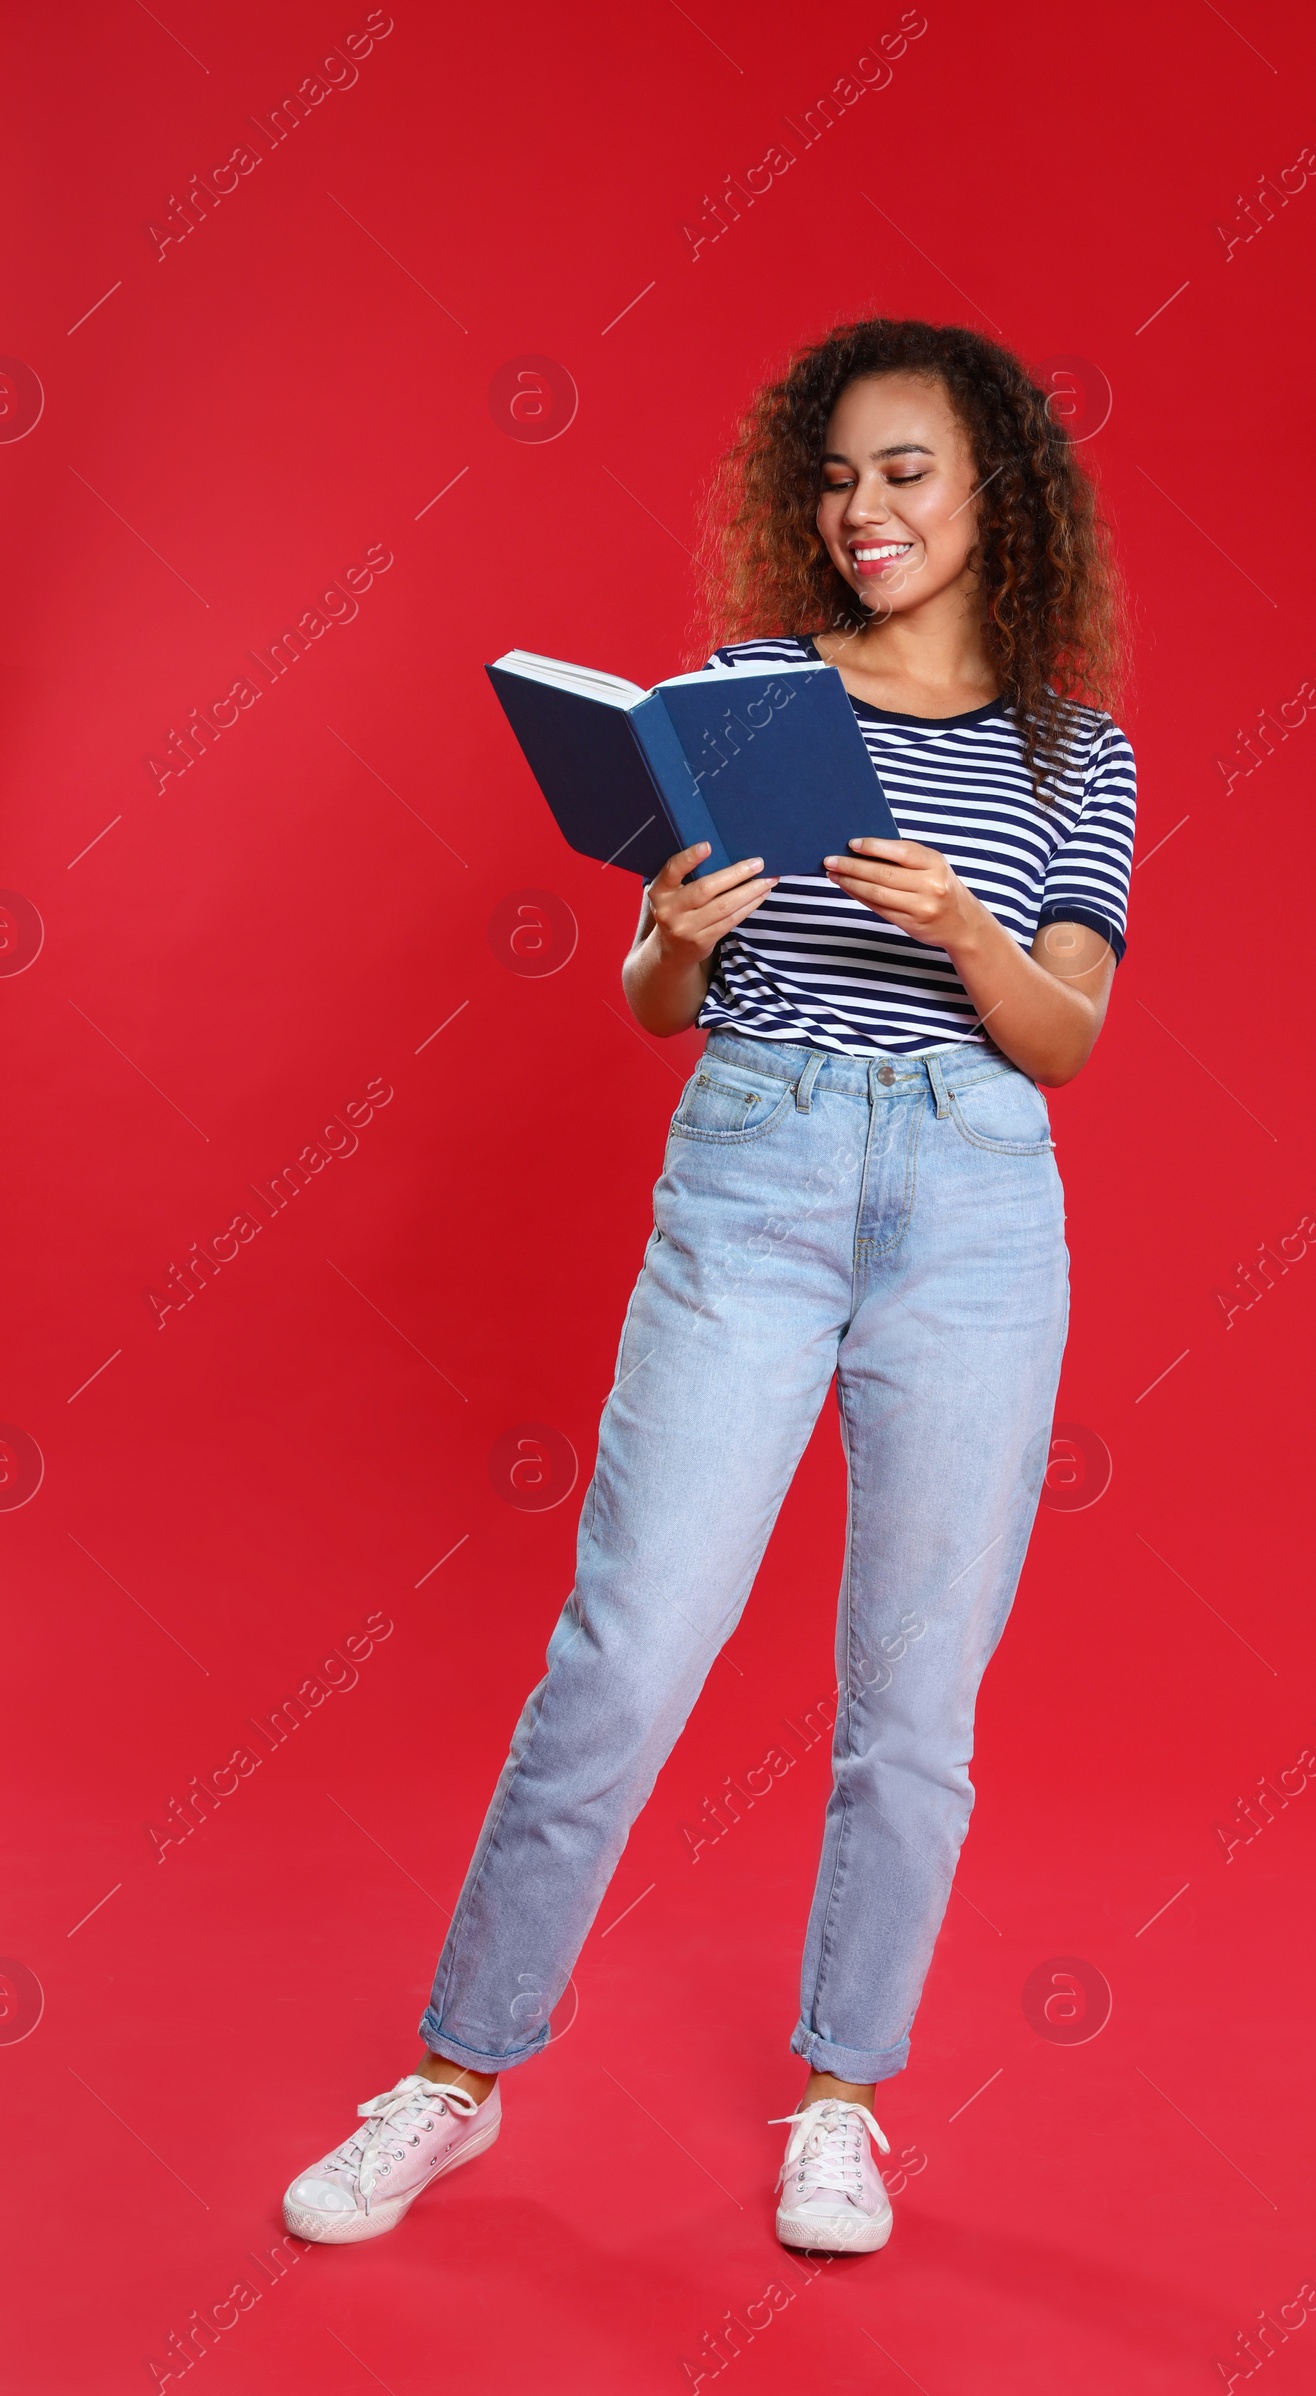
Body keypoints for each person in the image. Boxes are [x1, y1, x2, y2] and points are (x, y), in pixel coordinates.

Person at [282, 315, 1134, 2254]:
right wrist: (670, 932)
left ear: (992, 488)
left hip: (974, 1201)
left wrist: (963, 930)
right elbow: (657, 1003)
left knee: (910, 1702)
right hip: (750, 1173)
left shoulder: (1069, 752)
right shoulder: (751, 693)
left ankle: (842, 2102)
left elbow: (1070, 1031)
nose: (861, 510)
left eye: (903, 471)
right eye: (834, 476)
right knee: (628, 1648)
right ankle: (452, 2075)